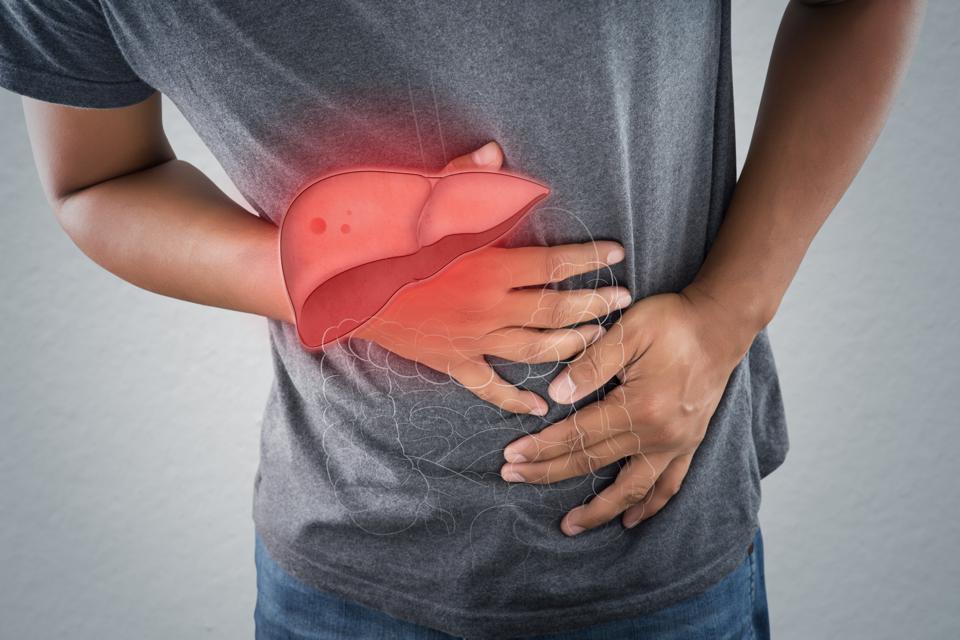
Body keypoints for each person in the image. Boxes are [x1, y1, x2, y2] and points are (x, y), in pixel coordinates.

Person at [0, 1, 922, 638]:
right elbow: (96, 181)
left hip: (657, 563)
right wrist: (345, 288)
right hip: (343, 569)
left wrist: (728, 313)